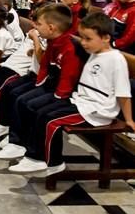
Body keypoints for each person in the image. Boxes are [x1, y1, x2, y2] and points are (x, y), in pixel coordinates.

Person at [8, 12, 135, 175]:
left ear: (105, 37)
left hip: (96, 111)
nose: (83, 43)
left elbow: (123, 93)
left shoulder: (115, 60)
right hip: (80, 102)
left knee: (50, 121)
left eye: (88, 39)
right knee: (39, 110)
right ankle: (31, 153)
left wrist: (129, 120)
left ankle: (49, 161)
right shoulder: (94, 53)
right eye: (82, 38)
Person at [0, 4, 86, 161]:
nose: (35, 27)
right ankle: (16, 142)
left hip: (64, 92)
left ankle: (27, 148)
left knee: (32, 104)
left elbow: (67, 79)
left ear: (51, 27)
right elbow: (44, 65)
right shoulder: (54, 41)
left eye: (38, 24)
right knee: (20, 98)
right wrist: (38, 85)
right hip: (50, 84)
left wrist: (56, 96)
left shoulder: (69, 47)